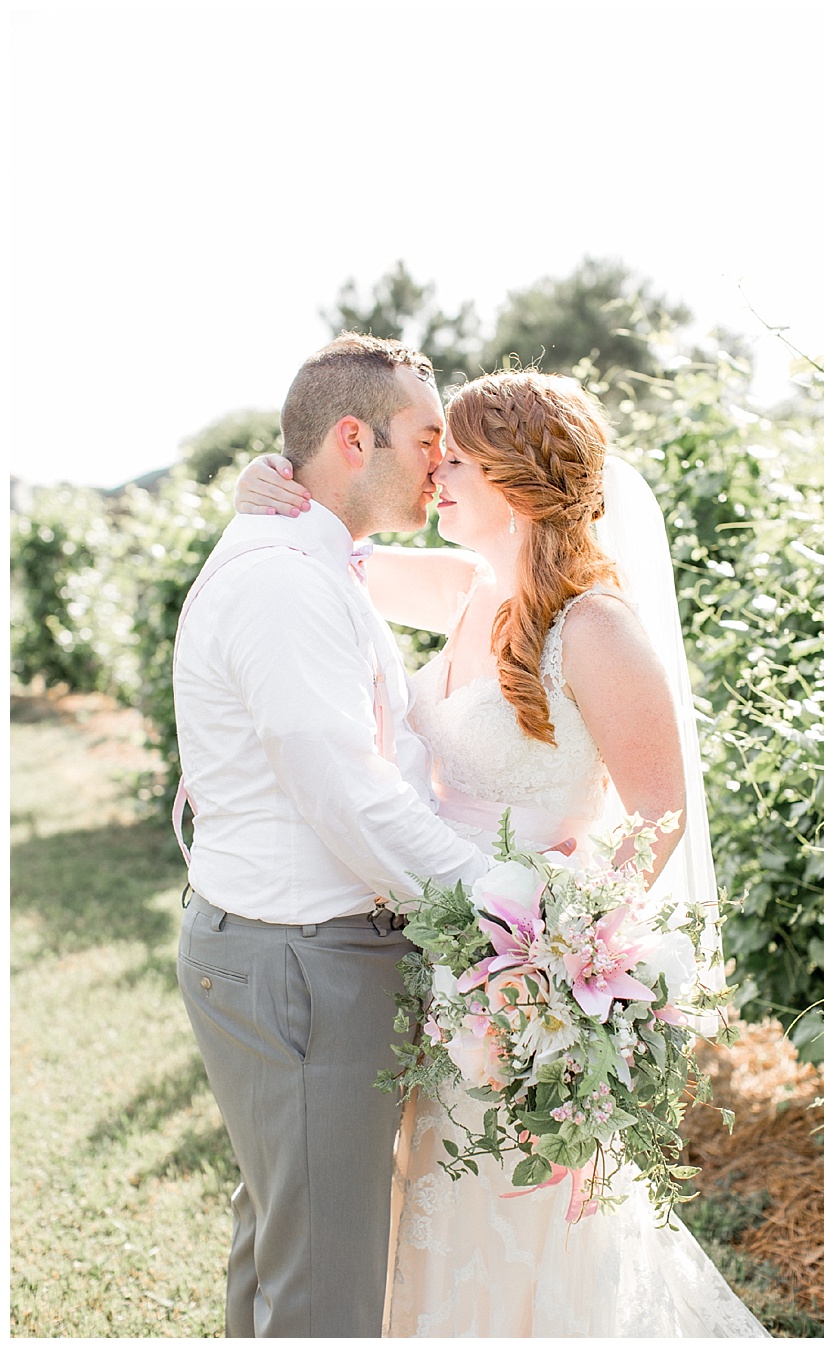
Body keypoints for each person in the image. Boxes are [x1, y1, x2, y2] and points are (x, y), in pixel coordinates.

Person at [235, 367, 768, 1335]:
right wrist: (267, 489)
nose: (436, 472)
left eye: (460, 458)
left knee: (523, 1218)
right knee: (434, 1196)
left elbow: (660, 809)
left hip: (529, 974)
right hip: (442, 955)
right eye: (435, 451)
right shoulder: (473, 591)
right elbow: (337, 553)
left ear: (517, 480)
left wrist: (567, 959)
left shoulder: (594, 625)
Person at [173, 334, 495, 1337]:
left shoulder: (319, 557)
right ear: (356, 440)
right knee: (324, 1288)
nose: (441, 460)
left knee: (293, 1247)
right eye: (428, 438)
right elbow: (349, 799)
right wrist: (509, 903)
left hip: (302, 954)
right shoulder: (284, 581)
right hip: (303, 966)